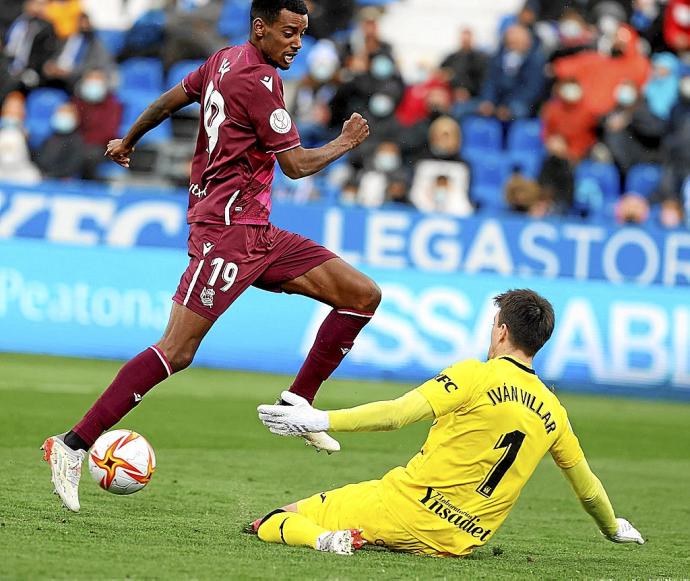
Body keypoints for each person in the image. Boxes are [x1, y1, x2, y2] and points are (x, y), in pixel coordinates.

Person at [42, 0, 378, 513]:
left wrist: (127, 139)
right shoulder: (260, 82)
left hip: (257, 232)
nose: (296, 43)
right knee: (176, 351)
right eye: (288, 33)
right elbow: (295, 165)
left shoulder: (223, 60)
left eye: (302, 34)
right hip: (226, 233)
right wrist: (345, 142)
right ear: (260, 28)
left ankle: (297, 402)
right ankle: (71, 445)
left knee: (361, 295)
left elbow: (169, 100)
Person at [251, 289, 645, 557]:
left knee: (272, 520)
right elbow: (588, 488)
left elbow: (396, 414)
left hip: (403, 509)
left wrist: (316, 418)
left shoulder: (476, 375)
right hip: (461, 539)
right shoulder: (553, 410)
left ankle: (326, 540)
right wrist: (613, 527)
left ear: (502, 330)